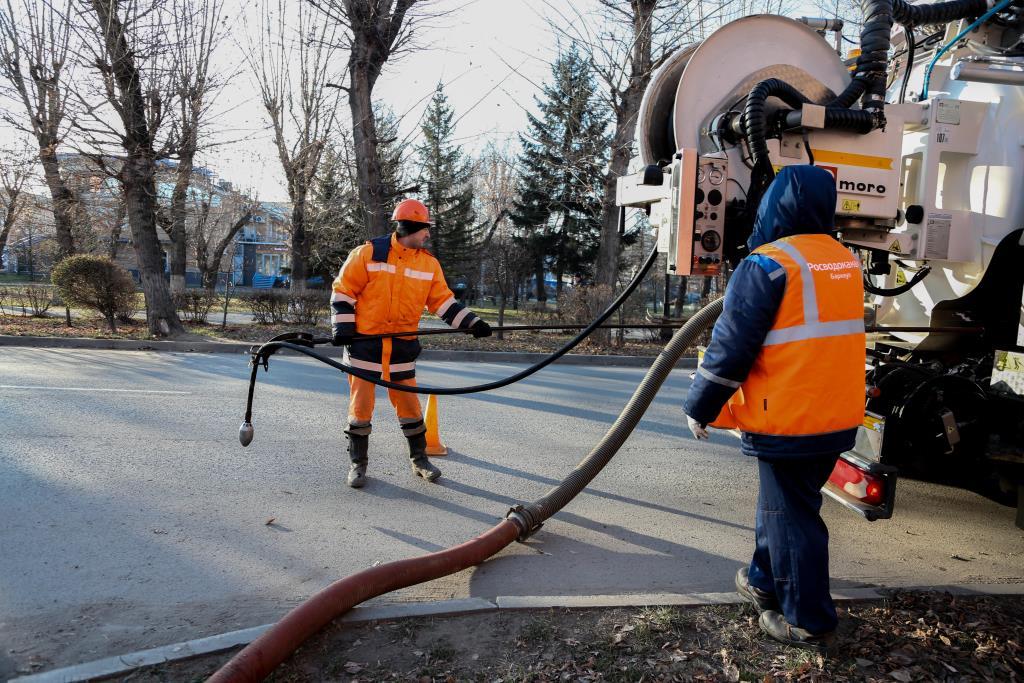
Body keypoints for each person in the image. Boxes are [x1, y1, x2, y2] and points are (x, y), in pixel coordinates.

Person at [683, 165, 865, 652]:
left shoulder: (767, 265)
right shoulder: (844, 260)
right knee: (786, 505)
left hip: (788, 419)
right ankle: (763, 581)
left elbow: (730, 347)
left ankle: (810, 623)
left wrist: (700, 405)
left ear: (772, 206)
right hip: (835, 416)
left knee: (792, 517)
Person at [330, 199, 492, 488]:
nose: (427, 235)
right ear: (411, 227)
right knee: (361, 407)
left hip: (402, 347)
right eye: (425, 230)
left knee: (409, 405)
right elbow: (343, 291)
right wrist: (343, 328)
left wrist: (472, 324)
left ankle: (420, 459)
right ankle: (358, 465)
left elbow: (442, 302)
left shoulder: (428, 264)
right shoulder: (368, 254)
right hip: (366, 345)